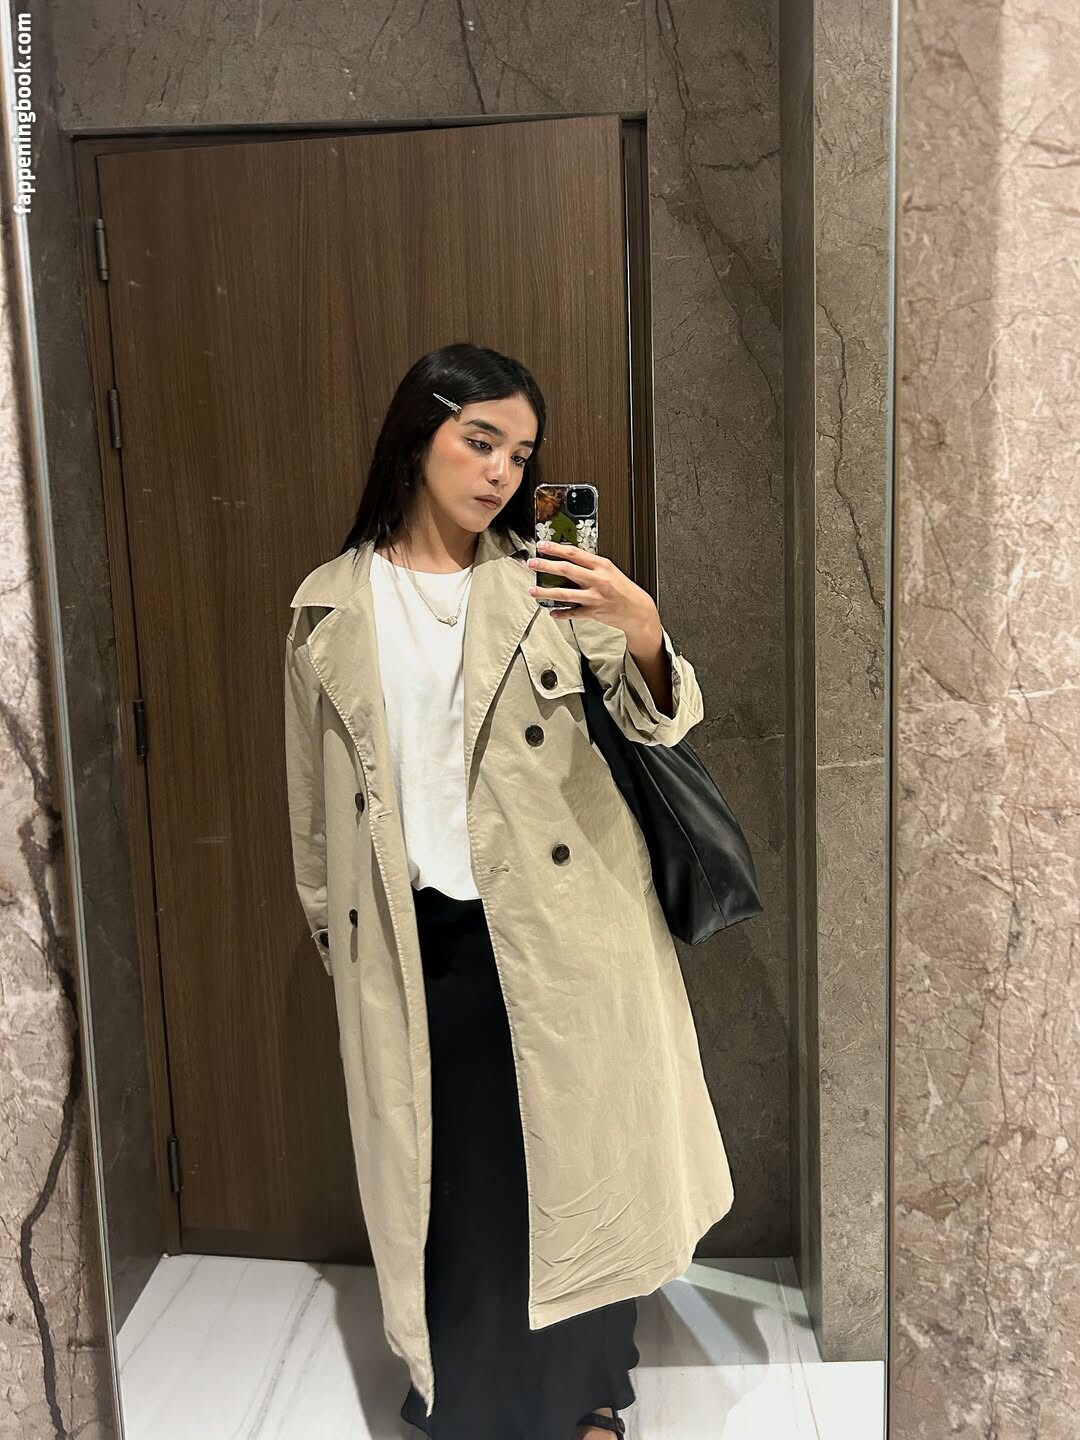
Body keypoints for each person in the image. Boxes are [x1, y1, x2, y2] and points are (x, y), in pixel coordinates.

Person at [283, 341, 735, 1439]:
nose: (499, 472)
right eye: (478, 440)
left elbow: (659, 721)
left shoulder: (545, 576)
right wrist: (338, 941)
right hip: (418, 944)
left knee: (573, 1176)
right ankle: (464, 1395)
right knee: (459, 1187)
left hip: (560, 934)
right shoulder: (328, 605)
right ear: (419, 436)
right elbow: (313, 808)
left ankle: (587, 1396)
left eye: (520, 453)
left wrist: (640, 629)